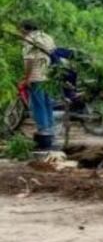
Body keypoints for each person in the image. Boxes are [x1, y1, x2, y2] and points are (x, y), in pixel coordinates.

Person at [19, 21, 56, 150]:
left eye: (21, 29)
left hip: (36, 76)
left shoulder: (29, 39)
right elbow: (53, 55)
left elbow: (29, 61)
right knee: (47, 103)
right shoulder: (47, 37)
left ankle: (43, 131)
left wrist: (27, 78)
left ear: (25, 29)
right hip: (48, 76)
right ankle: (51, 130)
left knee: (38, 104)